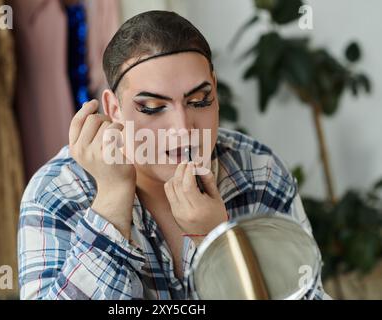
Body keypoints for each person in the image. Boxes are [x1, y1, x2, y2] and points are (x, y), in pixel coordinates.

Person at [18, 10, 328, 300]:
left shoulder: (259, 172)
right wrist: (111, 202)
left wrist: (219, 242)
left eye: (199, 101)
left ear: (216, 92)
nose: (182, 129)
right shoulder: (58, 192)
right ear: (114, 109)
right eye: (153, 108)